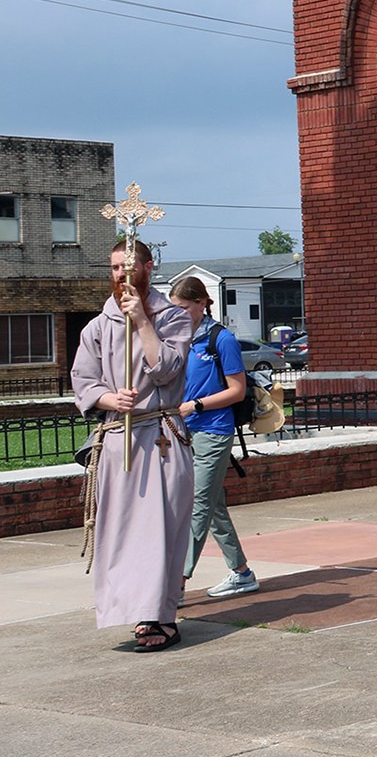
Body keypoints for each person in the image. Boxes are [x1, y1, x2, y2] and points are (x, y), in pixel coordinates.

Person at [71, 240, 194, 652]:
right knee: (122, 532)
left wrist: (143, 322)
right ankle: (129, 609)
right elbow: (84, 382)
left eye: (128, 266)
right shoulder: (98, 326)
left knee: (160, 531)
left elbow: (168, 370)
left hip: (159, 436)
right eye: (114, 268)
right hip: (117, 441)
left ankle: (160, 615)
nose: (121, 275)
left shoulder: (172, 317)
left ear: (147, 267)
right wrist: (109, 399)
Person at [170, 276, 258, 602]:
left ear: (201, 302)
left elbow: (236, 390)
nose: (178, 314)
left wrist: (197, 404)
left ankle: (175, 583)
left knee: (197, 506)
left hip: (214, 431)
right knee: (214, 507)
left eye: (183, 308)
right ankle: (242, 573)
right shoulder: (181, 339)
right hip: (186, 432)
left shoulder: (221, 339)